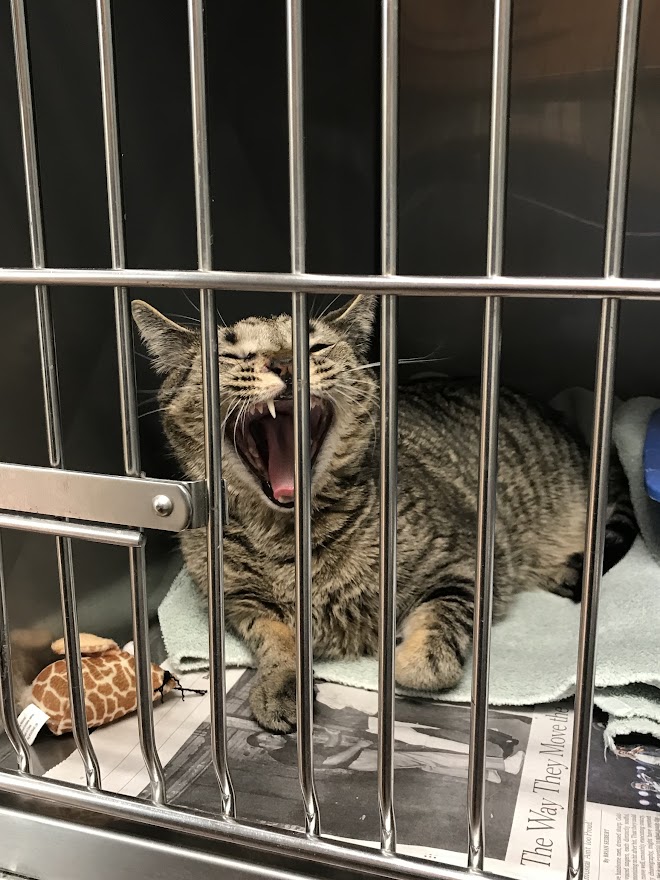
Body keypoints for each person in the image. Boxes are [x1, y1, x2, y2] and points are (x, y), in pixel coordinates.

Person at [248, 724, 524, 784]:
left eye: (269, 734)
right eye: (267, 738)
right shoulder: (284, 756)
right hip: (360, 759)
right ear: (263, 747)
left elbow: (327, 747)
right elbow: (329, 761)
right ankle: (502, 764)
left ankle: (486, 773)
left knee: (425, 764)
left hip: (360, 758)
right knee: (428, 757)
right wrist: (357, 747)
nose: (273, 736)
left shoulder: (286, 744)